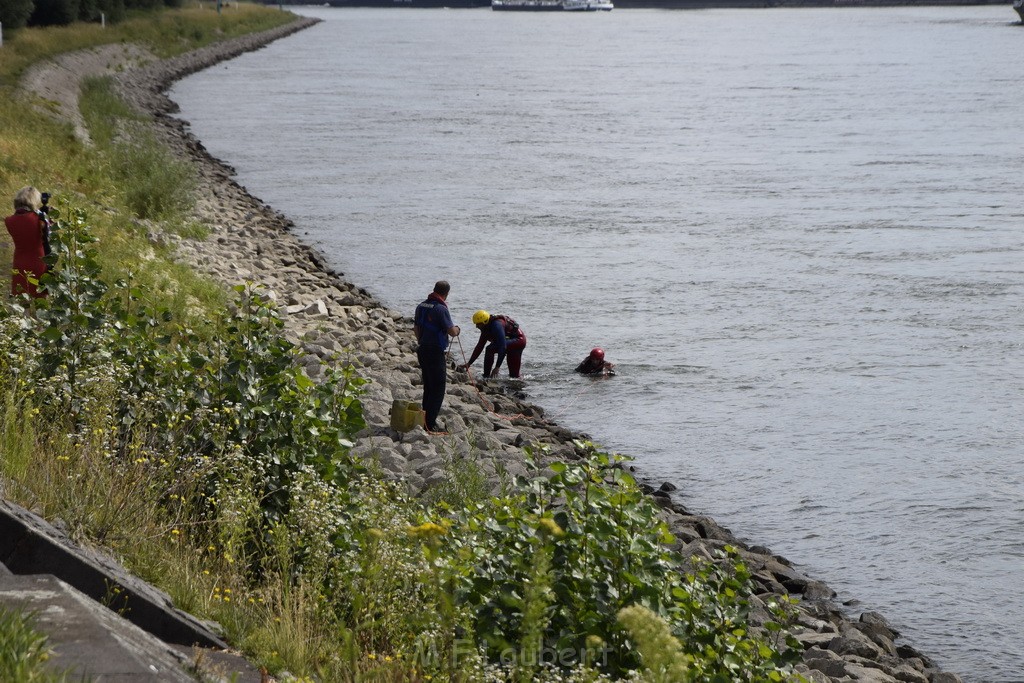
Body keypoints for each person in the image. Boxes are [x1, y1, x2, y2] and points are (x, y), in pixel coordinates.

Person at [414, 280, 460, 433]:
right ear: (446, 294)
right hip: (435, 351)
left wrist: (421, 341)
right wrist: (458, 329)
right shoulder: (441, 309)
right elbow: (451, 331)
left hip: (422, 349)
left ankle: (424, 420)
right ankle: (430, 424)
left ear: (434, 290)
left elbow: (416, 328)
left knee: (429, 385)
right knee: (438, 388)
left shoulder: (421, 306)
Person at [4, 186, 51, 298]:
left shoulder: (9, 220)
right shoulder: (39, 219)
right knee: (41, 301)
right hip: (39, 261)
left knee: (23, 302)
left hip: (19, 262)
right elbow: (48, 235)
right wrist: (47, 217)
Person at [458, 310, 527, 379]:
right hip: (510, 342)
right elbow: (480, 346)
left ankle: (486, 376)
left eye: (478, 324)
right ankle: (487, 376)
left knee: (490, 349)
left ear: (484, 322)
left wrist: (497, 367)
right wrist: (469, 363)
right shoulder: (485, 327)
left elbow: (502, 347)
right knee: (514, 376)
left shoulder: (497, 326)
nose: (476, 326)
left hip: (518, 341)